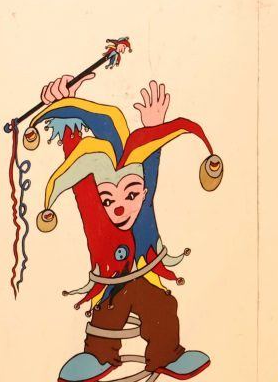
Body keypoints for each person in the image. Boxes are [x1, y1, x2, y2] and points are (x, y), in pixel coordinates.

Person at [32, 74, 218, 381]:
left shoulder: (144, 195)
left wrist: (153, 127)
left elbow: (149, 163)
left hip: (145, 274)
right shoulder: (96, 213)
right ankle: (99, 356)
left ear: (143, 192)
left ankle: (167, 354)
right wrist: (68, 112)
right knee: (106, 317)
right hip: (110, 284)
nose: (118, 207)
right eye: (108, 199)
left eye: (130, 194)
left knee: (162, 308)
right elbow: (82, 180)